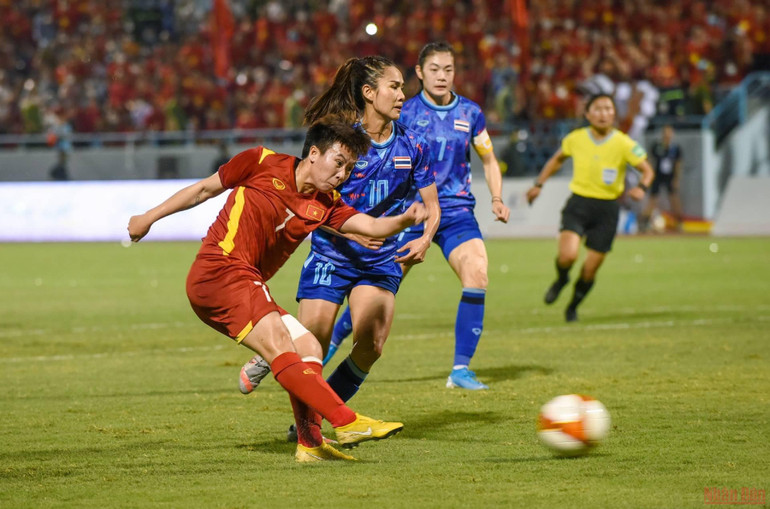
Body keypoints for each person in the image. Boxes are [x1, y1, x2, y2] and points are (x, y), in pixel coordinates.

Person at [128, 115, 425, 462]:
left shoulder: (325, 205)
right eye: (338, 163)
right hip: (220, 270)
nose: (342, 174)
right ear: (314, 153)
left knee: (309, 346)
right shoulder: (260, 162)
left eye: (348, 169)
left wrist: (404, 220)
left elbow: (371, 226)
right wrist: (149, 217)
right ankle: (345, 420)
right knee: (282, 345)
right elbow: (204, 189)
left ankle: (310, 443)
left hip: (244, 279)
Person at [238, 56, 441, 439]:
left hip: (381, 259)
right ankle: (303, 410)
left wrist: (425, 237)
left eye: (402, 87)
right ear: (369, 93)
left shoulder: (414, 145)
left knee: (372, 346)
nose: (402, 95)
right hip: (332, 254)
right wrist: (350, 233)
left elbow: (433, 206)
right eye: (394, 87)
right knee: (311, 344)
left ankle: (310, 423)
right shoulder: (341, 143)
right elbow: (311, 198)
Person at [325, 42, 511, 390]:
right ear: (421, 74)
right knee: (375, 292)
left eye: (449, 69)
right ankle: (328, 343)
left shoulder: (470, 113)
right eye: (435, 69)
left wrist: (497, 197)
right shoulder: (403, 113)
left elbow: (487, 158)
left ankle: (460, 370)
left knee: (477, 273)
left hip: (455, 211)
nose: (443, 76)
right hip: (409, 214)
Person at [526, 93, 654, 322]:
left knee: (589, 270)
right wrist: (538, 184)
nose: (603, 114)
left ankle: (573, 306)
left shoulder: (624, 143)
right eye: (598, 109)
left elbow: (648, 170)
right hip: (579, 203)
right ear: (587, 114)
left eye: (608, 109)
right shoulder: (576, 138)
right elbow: (557, 159)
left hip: (607, 210)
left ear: (614, 113)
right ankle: (561, 278)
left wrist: (642, 188)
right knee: (567, 256)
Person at [640, 125, 683, 232]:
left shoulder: (676, 148)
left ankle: (679, 222)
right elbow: (650, 160)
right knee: (653, 199)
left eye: (669, 133)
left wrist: (676, 179)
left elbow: (678, 164)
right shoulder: (657, 146)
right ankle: (644, 223)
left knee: (674, 199)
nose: (667, 135)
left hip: (670, 176)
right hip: (658, 176)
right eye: (665, 133)